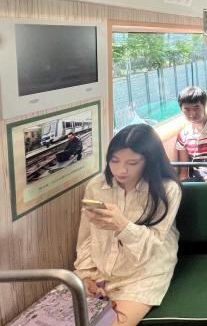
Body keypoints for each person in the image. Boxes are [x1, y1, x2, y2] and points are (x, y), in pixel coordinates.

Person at [74, 124, 181, 326]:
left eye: (132, 163)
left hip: (143, 274)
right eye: (114, 160)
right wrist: (87, 275)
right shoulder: (97, 185)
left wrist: (123, 226)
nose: (121, 170)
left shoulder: (167, 190)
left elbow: (153, 244)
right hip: (99, 270)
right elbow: (86, 237)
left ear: (149, 161)